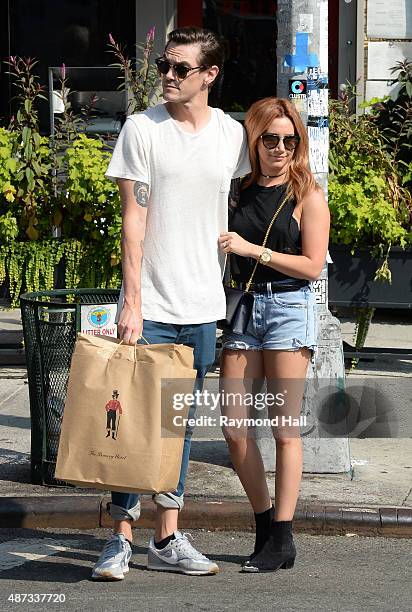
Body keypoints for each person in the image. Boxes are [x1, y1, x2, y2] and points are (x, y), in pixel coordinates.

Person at [91, 26, 250, 580]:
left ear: (209, 75)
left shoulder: (232, 135)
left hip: (203, 302)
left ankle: (168, 536)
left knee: (175, 425)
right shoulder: (142, 128)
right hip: (150, 302)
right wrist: (131, 304)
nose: (167, 76)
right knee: (132, 423)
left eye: (180, 68)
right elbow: (132, 222)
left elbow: (247, 197)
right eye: (164, 65)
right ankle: (120, 538)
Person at [218, 97, 330, 573]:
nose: (281, 147)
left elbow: (310, 266)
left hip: (288, 307)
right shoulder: (236, 191)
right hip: (242, 308)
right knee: (234, 426)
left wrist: (253, 251)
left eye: (290, 139)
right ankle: (265, 523)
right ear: (255, 139)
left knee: (284, 430)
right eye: (271, 138)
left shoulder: (309, 195)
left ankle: (283, 536)